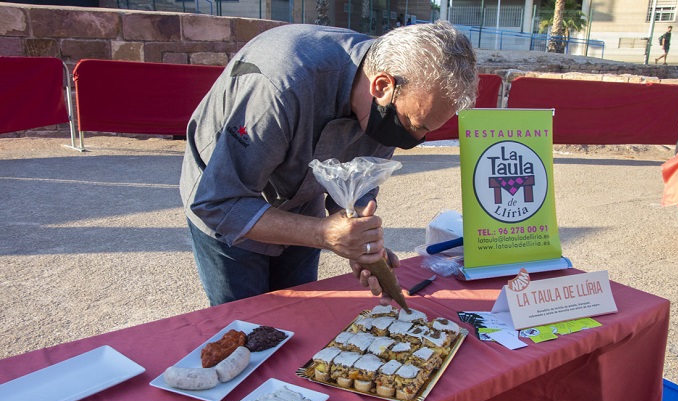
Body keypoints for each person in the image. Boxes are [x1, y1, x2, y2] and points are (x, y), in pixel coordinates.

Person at [179, 20, 478, 306]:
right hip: (229, 202)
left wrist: (357, 240)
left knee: (297, 317)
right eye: (414, 124)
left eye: (425, 130)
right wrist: (323, 233)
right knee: (247, 328)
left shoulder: (393, 94)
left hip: (301, 199)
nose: (413, 139)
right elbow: (219, 201)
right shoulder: (281, 83)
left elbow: (357, 183)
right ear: (382, 86)